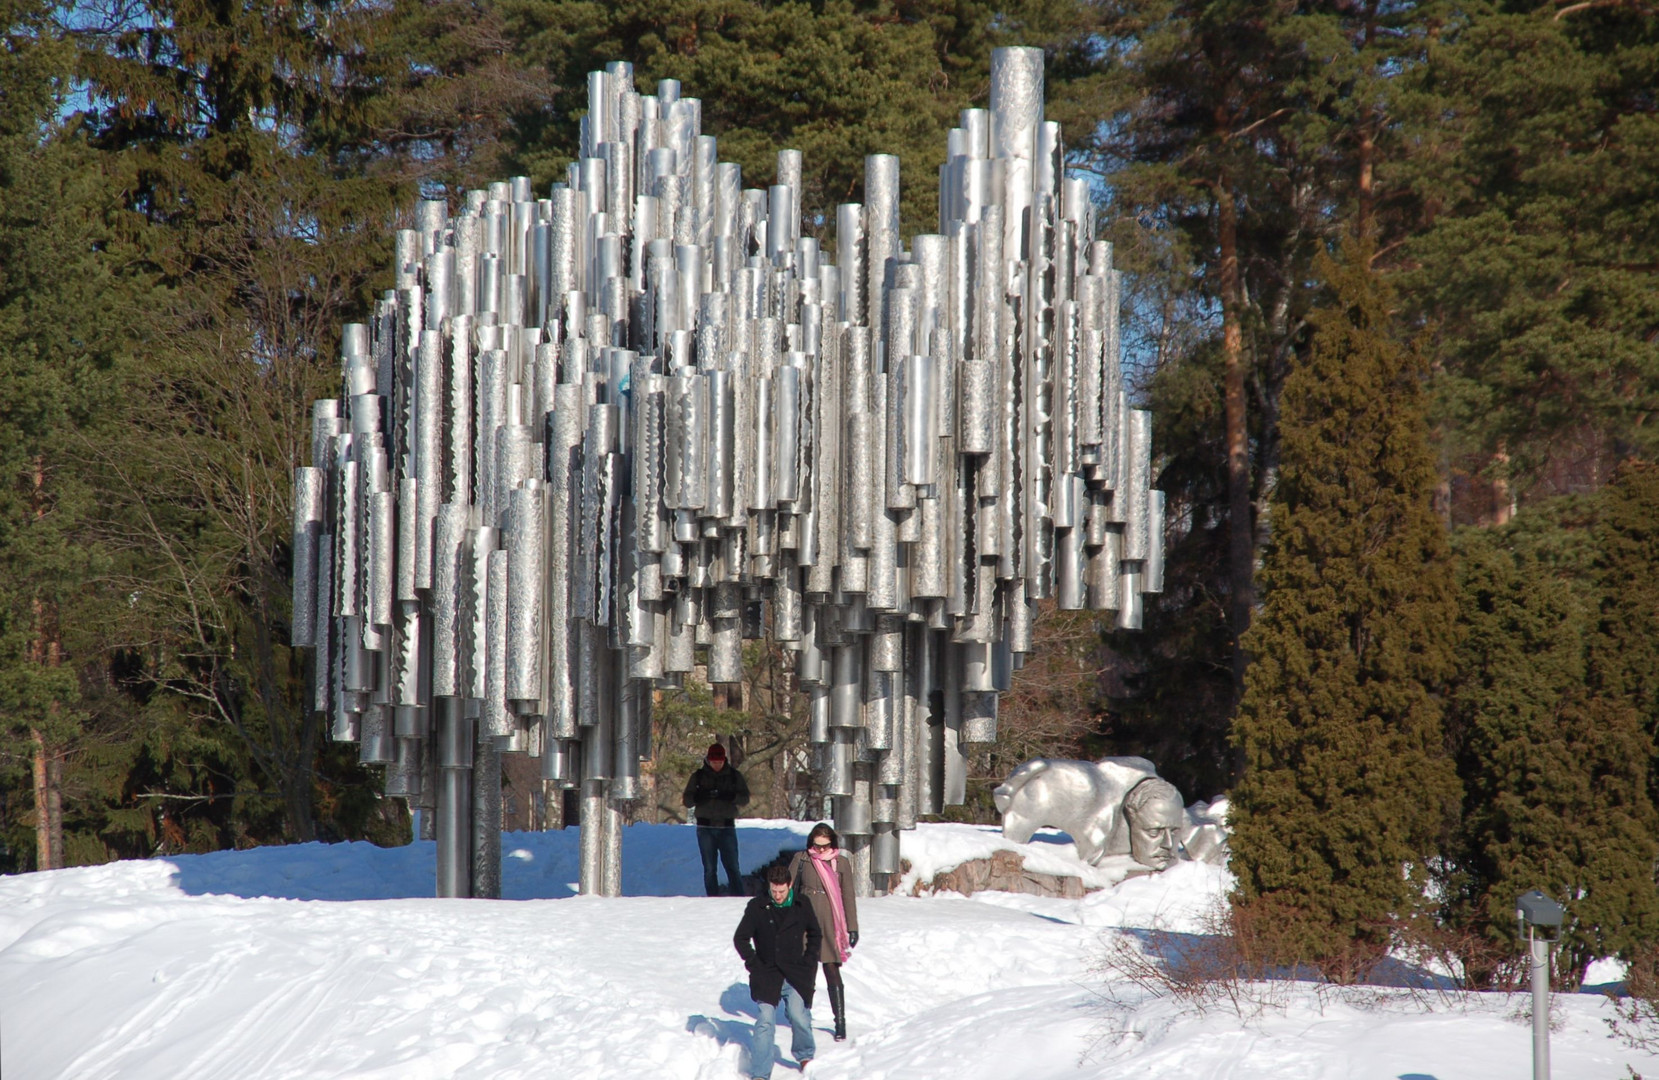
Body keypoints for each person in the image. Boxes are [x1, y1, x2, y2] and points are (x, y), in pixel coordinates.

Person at [733, 863, 820, 1078]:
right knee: (765, 1022)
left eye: (782, 891)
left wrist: (809, 962)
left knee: (799, 1015)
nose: (778, 896)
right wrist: (754, 964)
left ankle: (805, 1055)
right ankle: (760, 1074)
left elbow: (815, 934)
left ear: (790, 885)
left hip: (796, 972)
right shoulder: (757, 907)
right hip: (767, 974)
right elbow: (740, 938)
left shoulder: (802, 904)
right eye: (774, 891)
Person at [787, 823, 859, 1042]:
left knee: (831, 968)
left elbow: (848, 896)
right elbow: (787, 888)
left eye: (824, 846)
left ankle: (840, 1022)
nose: (819, 851)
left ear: (832, 844)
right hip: (804, 917)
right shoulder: (802, 859)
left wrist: (852, 926)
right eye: (816, 846)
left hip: (830, 920)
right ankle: (801, 1016)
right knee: (804, 971)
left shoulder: (841, 863)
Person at [683, 743, 750, 896]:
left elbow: (745, 798)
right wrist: (699, 797)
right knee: (709, 868)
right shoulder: (698, 776)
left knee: (732, 866)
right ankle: (712, 899)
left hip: (726, 827)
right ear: (708, 760)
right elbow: (687, 801)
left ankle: (738, 898)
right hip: (705, 828)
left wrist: (731, 796)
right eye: (714, 762)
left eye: (719, 763)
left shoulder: (734, 776)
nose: (716, 765)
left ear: (724, 760)